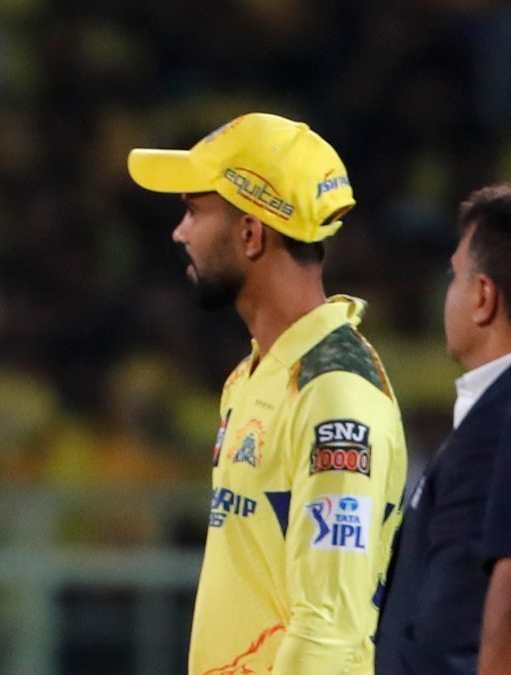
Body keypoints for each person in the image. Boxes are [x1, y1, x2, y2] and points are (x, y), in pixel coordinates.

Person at [127, 112, 408, 673]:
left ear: (252, 234)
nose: (180, 232)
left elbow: (330, 625)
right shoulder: (257, 375)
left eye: (193, 210)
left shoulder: (334, 393)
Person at [375, 184, 511, 675]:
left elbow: (484, 613)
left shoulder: (500, 421)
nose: (446, 293)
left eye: (455, 276)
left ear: (482, 296)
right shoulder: (488, 413)